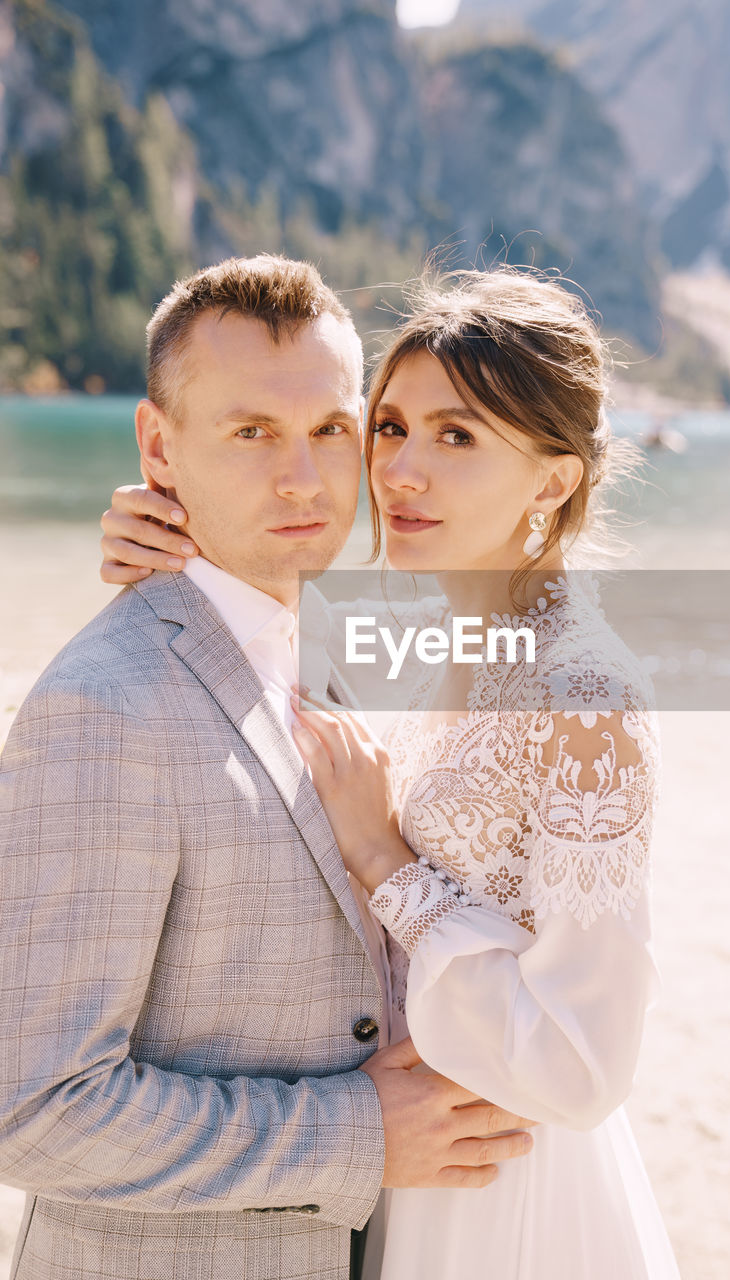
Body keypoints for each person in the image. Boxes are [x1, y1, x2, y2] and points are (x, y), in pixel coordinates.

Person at [99, 268, 682, 1278]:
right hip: (407, 1164)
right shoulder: (432, 640)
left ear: (551, 480)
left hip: (512, 1191)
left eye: (457, 437)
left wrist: (384, 857)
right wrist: (172, 533)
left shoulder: (586, 695)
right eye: (389, 425)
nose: (400, 470)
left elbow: (586, 1066)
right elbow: (269, 651)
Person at [0, 256, 538, 1280]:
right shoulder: (101, 709)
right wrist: (359, 1132)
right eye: (250, 433)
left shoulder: (327, 643)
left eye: (331, 428)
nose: (303, 477)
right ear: (159, 445)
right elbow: (28, 1106)